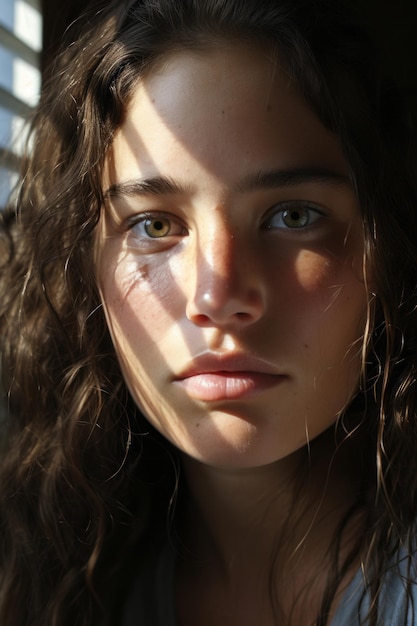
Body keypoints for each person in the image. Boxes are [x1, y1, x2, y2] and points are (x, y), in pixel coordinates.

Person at [1, 0, 417, 624]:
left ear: (382, 254)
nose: (216, 298)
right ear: (82, 264)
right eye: (155, 224)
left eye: (293, 216)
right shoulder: (49, 578)